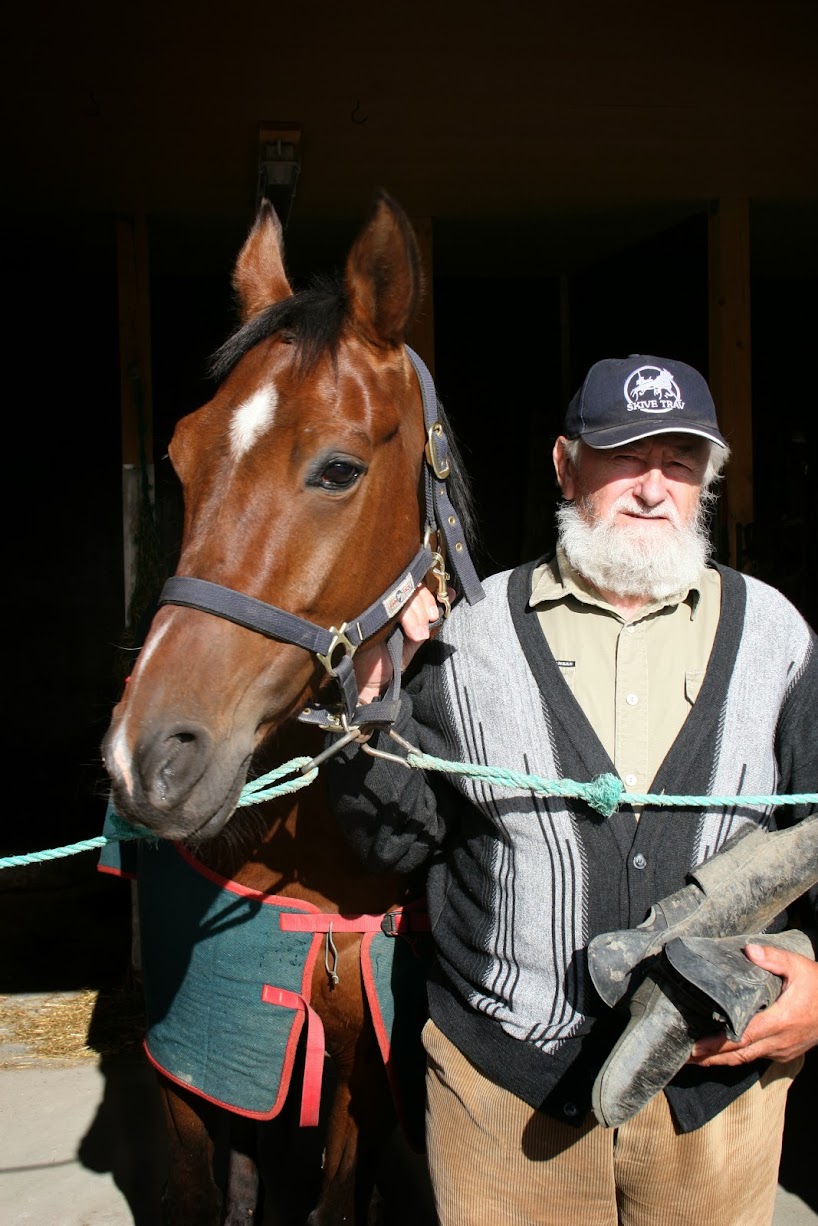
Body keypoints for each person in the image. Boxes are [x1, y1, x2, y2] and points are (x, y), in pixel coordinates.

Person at [325, 354, 818, 1226]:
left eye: (680, 462)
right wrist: (368, 706)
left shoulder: (777, 634)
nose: (652, 488)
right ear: (565, 465)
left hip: (716, 1096)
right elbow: (389, 843)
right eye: (626, 456)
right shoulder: (465, 636)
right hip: (504, 1096)